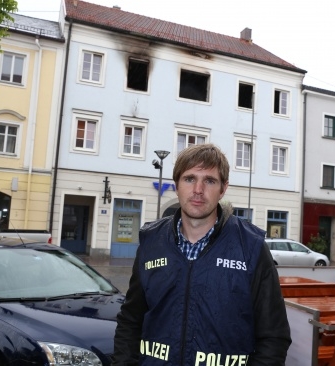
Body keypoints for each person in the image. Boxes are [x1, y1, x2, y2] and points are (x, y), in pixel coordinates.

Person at [112, 143, 291, 366]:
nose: (198, 189)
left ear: (223, 188)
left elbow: (274, 336)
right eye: (189, 179)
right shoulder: (151, 242)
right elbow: (130, 321)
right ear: (176, 185)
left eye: (209, 180)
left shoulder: (251, 247)